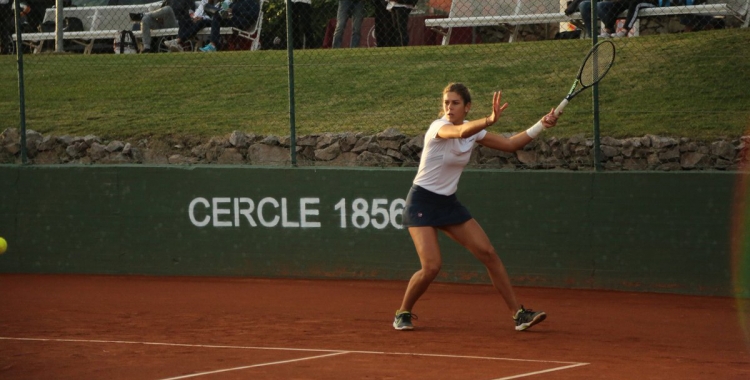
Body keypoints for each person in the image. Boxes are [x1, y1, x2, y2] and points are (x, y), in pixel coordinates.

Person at [392, 83, 559, 332]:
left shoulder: (473, 131)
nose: (449, 107)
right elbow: (460, 133)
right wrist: (489, 119)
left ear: (466, 107)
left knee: (488, 253)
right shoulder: (439, 127)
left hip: (447, 202)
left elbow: (511, 144)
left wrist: (541, 125)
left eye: (455, 103)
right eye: (446, 102)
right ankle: (403, 312)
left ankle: (518, 314)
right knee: (432, 266)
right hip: (421, 202)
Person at [576, 0, 657, 38]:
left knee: (635, 3)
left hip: (649, 1)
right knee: (615, 5)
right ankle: (608, 30)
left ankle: (624, 30)